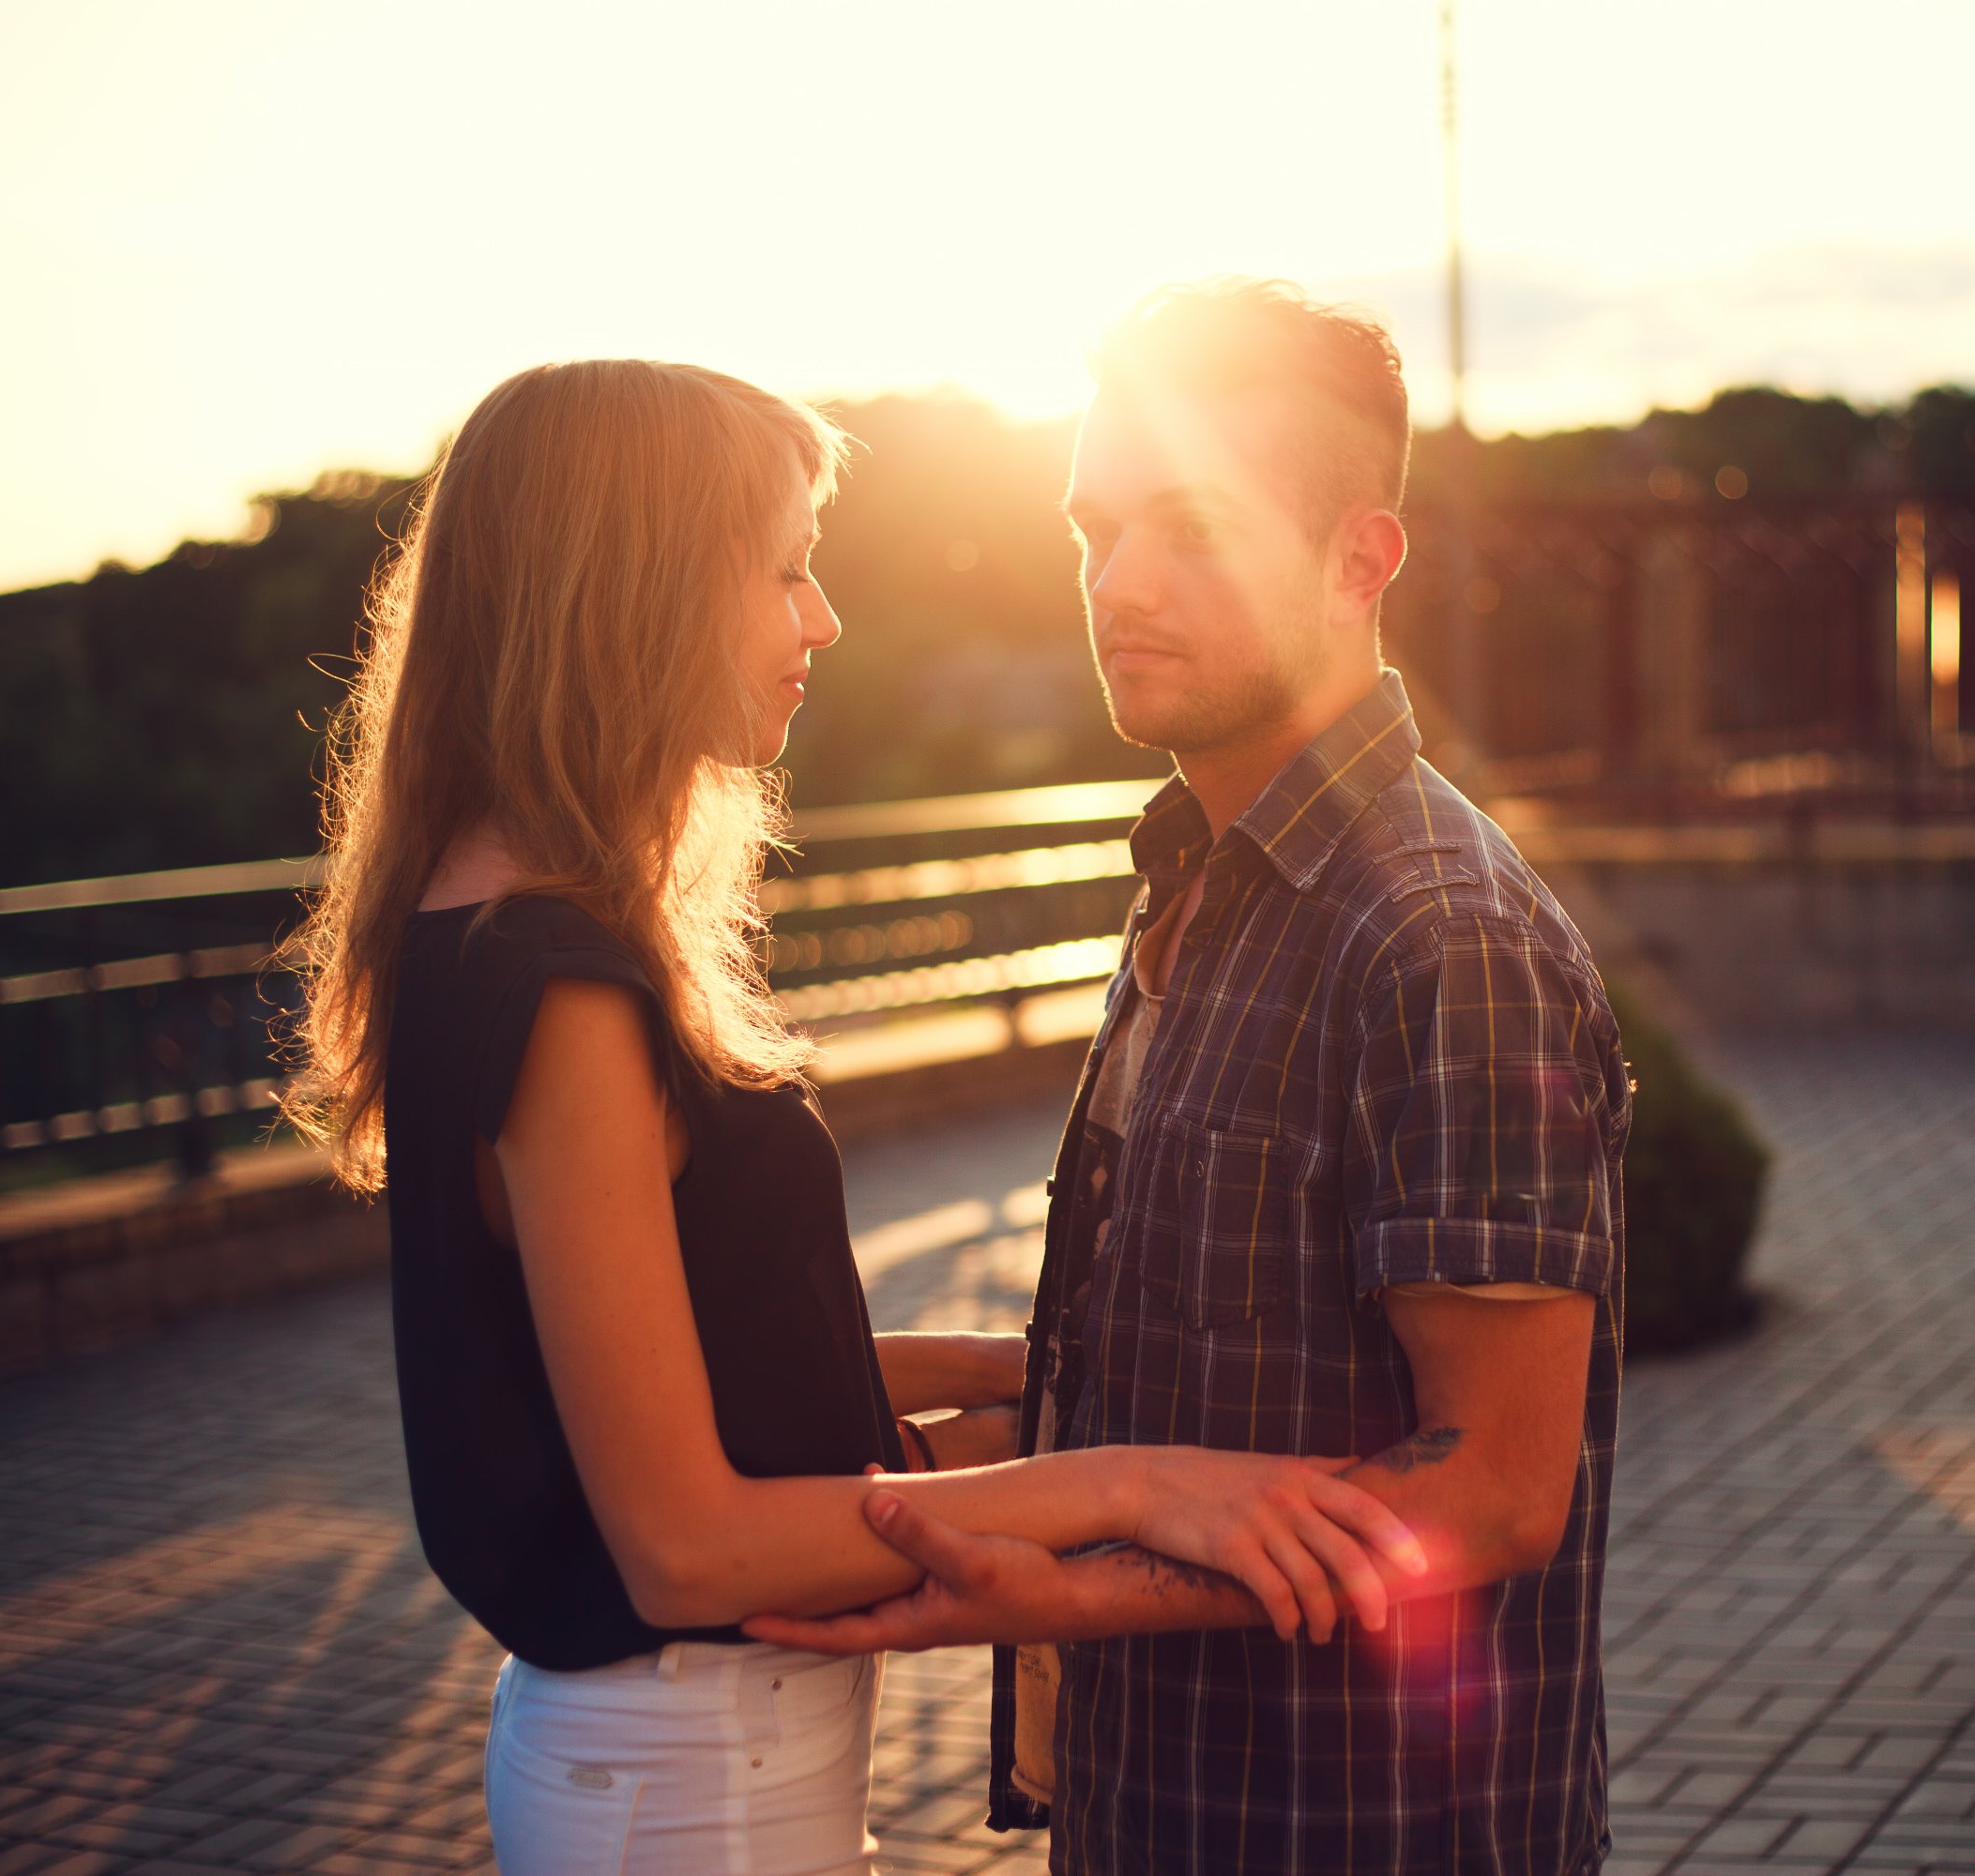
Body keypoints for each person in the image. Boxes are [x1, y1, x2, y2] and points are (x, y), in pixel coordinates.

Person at [281, 358, 1428, 1876]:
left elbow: (687, 1368)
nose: (820, 619)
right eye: (785, 570)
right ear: (640, 590)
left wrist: (1047, 1384)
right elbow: (683, 1541)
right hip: (696, 1781)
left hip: (688, 1765)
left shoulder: (483, 925)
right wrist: (1137, 1484)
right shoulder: (559, 988)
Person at [752, 284, 1633, 1875]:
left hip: (1359, 1827)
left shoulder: (1444, 940)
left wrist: (1062, 1589)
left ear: (1364, 559)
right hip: (1153, 1804)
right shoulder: (1202, 876)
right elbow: (1205, 1366)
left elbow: (1501, 1489)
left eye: (1191, 530)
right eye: (1095, 532)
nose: (1120, 583)